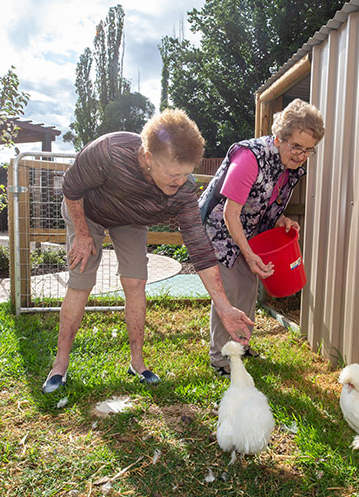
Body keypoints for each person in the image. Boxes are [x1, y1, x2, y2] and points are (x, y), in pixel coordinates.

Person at [42, 109, 254, 393]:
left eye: (186, 174)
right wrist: (81, 234)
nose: (180, 182)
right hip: (87, 212)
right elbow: (71, 187)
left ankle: (137, 363)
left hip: (130, 219)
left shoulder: (184, 190)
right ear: (148, 157)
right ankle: (60, 365)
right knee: (81, 279)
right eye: (173, 174)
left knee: (136, 282)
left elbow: (200, 249)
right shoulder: (109, 151)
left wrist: (225, 308)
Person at [198, 98, 325, 376]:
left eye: (309, 150)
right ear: (279, 138)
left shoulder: (289, 165)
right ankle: (221, 358)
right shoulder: (249, 158)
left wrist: (282, 219)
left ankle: (241, 346)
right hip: (218, 230)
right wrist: (249, 253)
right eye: (296, 147)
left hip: (246, 230)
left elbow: (264, 203)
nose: (301, 155)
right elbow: (231, 213)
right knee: (229, 291)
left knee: (248, 288)